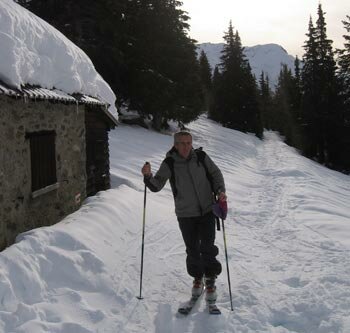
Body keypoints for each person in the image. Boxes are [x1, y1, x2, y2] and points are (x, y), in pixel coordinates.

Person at [141, 131, 227, 302]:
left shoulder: (201, 157)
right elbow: (156, 185)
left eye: (188, 142)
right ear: (175, 144)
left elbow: (216, 174)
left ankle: (210, 279)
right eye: (182, 143)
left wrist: (220, 191)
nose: (186, 146)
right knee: (192, 248)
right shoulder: (170, 163)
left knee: (207, 247)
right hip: (185, 214)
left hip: (207, 211)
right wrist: (147, 176)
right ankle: (197, 277)